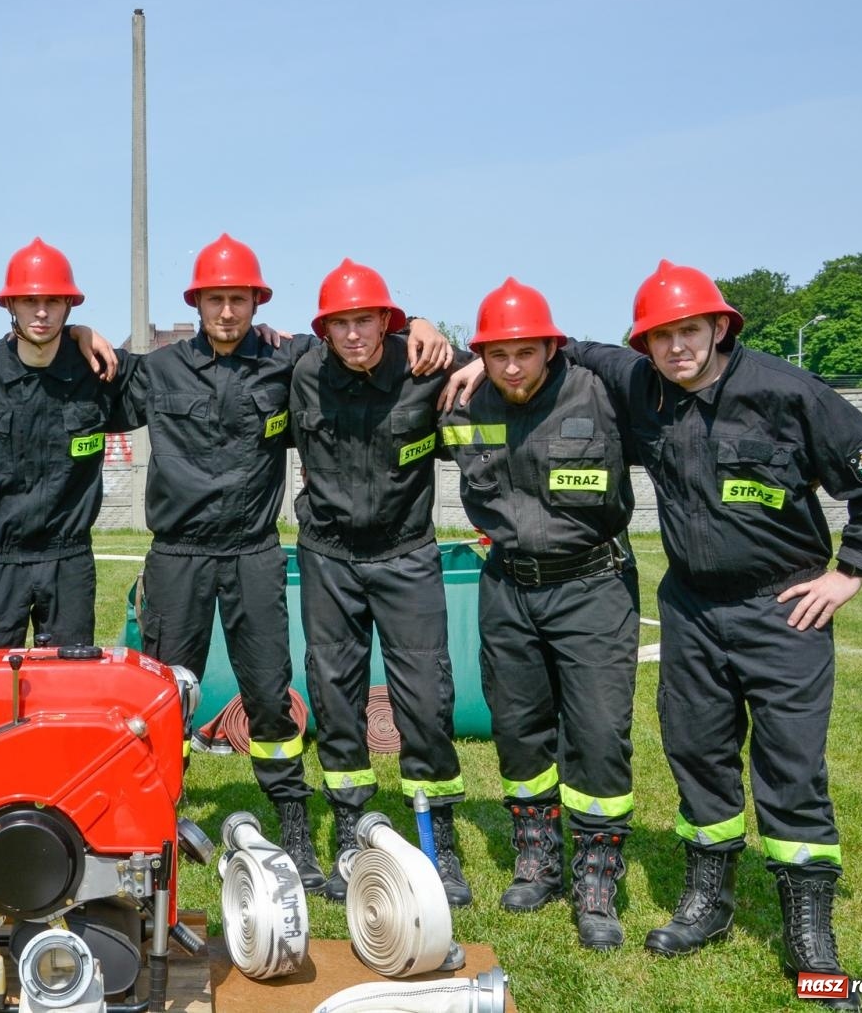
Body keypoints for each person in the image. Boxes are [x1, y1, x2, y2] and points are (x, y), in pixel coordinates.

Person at [567, 260, 862, 1006]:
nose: (676, 347)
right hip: (692, 609)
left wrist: (849, 570)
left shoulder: (788, 392)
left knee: (791, 769)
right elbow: (561, 347)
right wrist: (457, 351)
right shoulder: (641, 386)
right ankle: (709, 902)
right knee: (697, 755)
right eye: (659, 336)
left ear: (720, 327)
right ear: (644, 343)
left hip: (782, 609)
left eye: (690, 331)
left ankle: (810, 938)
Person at [121, 235, 452, 891]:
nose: (226, 312)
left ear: (256, 303)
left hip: (254, 553)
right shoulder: (156, 370)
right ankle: (152, 817)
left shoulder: (287, 360)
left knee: (270, 695)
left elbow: (355, 331)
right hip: (178, 556)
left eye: (238, 300)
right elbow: (82, 373)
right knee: (164, 697)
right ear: (196, 304)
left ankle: (294, 825)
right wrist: (78, 334)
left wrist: (415, 321)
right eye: (214, 300)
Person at [438, 278, 638, 947]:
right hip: (509, 586)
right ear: (480, 355)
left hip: (592, 585)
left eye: (526, 352)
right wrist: (424, 330)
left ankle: (597, 876)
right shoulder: (463, 402)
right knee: (519, 727)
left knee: (599, 732)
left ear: (552, 347)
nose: (514, 367)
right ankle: (537, 856)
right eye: (498, 354)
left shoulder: (601, 393)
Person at [287, 258, 471, 904]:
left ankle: (437, 840)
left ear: (388, 322)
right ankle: (350, 831)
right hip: (329, 557)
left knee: (426, 697)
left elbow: (506, 367)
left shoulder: (427, 365)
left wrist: (446, 338)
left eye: (365, 320)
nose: (353, 334)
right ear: (324, 330)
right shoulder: (303, 372)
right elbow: (240, 350)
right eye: (340, 323)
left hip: (406, 555)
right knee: (334, 696)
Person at [0, 238, 136, 658]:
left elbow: (180, 373)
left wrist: (261, 340)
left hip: (68, 563)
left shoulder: (97, 372)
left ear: (69, 306)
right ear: (10, 305)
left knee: (69, 682)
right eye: (29, 301)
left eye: (53, 301)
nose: (41, 312)